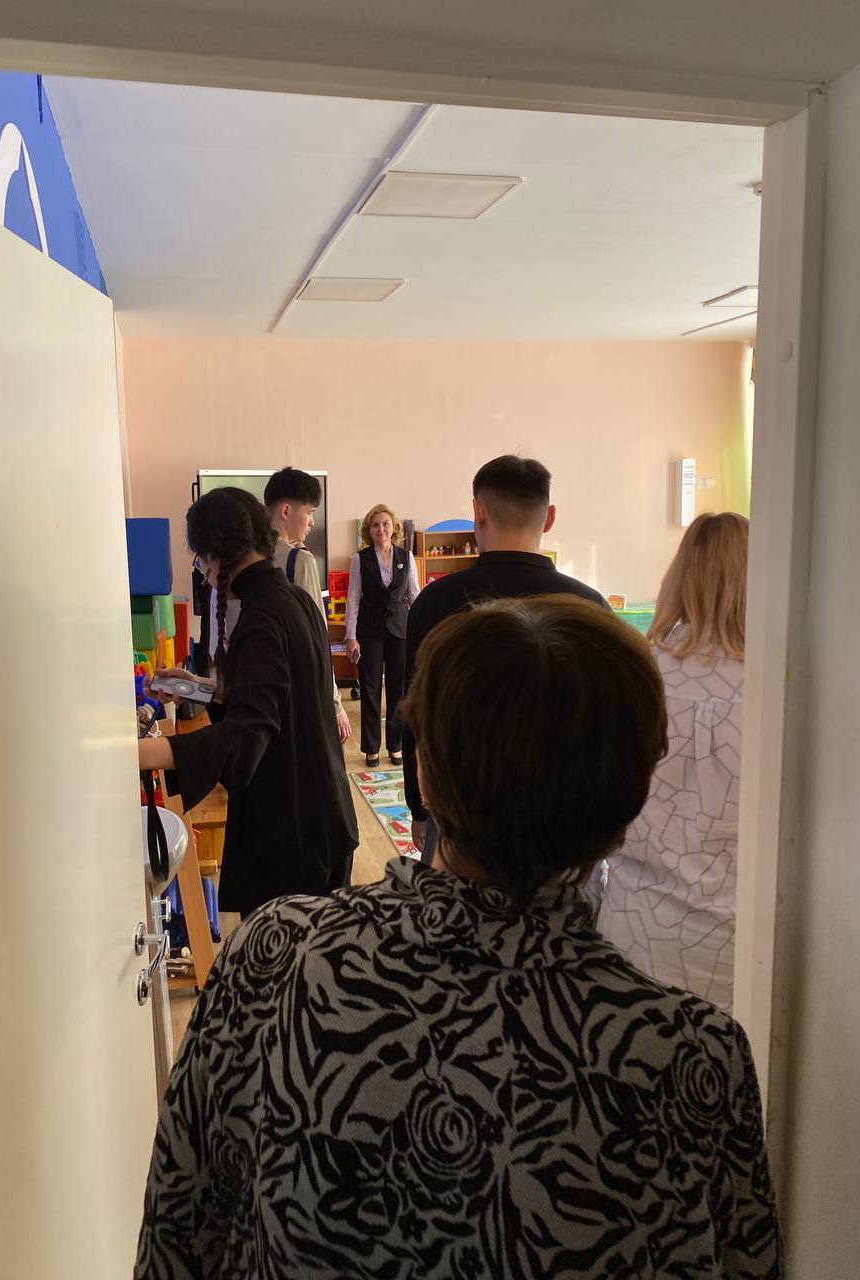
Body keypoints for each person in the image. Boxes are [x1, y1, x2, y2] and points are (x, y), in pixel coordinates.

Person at [135, 597, 781, 1280]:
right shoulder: (693, 1058)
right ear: (632, 800)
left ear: (420, 774)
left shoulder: (274, 958)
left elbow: (179, 1229)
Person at [138, 487, 358, 917]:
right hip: (325, 815)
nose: (204, 573)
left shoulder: (262, 619)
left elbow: (246, 736)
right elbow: (275, 697)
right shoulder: (293, 600)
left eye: (201, 562)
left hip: (293, 838)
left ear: (216, 556)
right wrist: (199, 687)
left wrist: (141, 753)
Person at [403, 454, 605, 860]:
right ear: (549, 518)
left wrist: (418, 805)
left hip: (459, 809)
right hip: (561, 813)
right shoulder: (588, 607)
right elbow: (603, 725)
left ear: (478, 513)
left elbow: (416, 715)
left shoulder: (437, 603)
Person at [597, 512, 748, 1010]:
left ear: (677, 576)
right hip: (740, 943)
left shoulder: (634, 674)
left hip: (634, 927)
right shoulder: (782, 685)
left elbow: (595, 804)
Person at [263, 466, 352, 744]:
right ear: (286, 511)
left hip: (257, 688)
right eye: (310, 512)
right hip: (296, 690)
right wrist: (335, 703)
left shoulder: (245, 555)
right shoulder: (298, 560)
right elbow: (317, 637)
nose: (312, 522)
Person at [345, 503, 420, 767]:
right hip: (370, 631)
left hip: (400, 630)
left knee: (399, 688)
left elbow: (415, 596)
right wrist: (350, 636)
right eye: (375, 525)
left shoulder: (406, 557)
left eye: (385, 524)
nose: (381, 529)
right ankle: (371, 748)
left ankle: (396, 745)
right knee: (370, 688)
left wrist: (420, 629)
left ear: (393, 527)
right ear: (369, 530)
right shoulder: (360, 559)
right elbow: (353, 599)